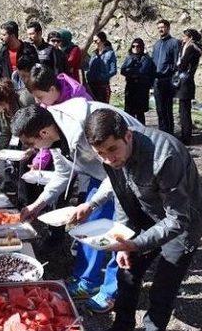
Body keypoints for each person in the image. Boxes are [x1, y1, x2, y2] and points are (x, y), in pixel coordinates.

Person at [76, 108, 202, 331]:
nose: (108, 158)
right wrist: (122, 238)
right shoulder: (111, 158)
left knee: (163, 288)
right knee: (127, 273)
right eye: (101, 154)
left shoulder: (165, 156)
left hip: (186, 219)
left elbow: (178, 219)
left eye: (112, 150)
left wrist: (137, 243)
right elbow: (121, 196)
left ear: (127, 136)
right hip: (150, 213)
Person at [11, 100, 142, 309]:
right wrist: (38, 204)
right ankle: (87, 281)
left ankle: (111, 291)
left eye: (31, 143)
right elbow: (64, 172)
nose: (33, 149)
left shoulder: (84, 129)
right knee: (89, 226)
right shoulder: (54, 133)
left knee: (119, 231)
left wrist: (92, 203)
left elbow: (117, 168)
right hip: (101, 171)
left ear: (43, 133)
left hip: (126, 164)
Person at [0, 78, 35, 171]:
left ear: (1, 101)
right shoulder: (4, 111)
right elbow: (6, 134)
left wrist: (33, 148)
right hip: (29, 141)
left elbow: (38, 125)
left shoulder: (24, 100)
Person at [173, 28, 202, 145]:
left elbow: (183, 64)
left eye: (185, 36)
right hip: (186, 80)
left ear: (190, 37)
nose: (183, 38)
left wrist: (178, 65)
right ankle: (185, 134)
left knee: (184, 110)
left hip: (185, 81)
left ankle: (186, 137)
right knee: (183, 109)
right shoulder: (188, 47)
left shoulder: (191, 48)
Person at [152, 19, 182, 134]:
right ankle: (162, 132)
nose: (160, 29)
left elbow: (177, 62)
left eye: (162, 27)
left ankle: (170, 133)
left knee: (167, 108)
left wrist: (172, 72)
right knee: (159, 109)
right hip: (156, 81)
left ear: (168, 28)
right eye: (159, 27)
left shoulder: (174, 43)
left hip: (168, 80)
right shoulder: (156, 44)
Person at [120, 38, 156, 124]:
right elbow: (123, 70)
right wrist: (132, 71)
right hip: (130, 88)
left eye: (138, 46)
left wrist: (131, 72)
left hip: (141, 90)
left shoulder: (146, 58)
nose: (135, 48)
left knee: (140, 114)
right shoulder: (129, 57)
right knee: (129, 112)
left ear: (142, 47)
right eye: (133, 46)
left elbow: (142, 72)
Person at [87, 32, 117, 103]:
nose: (94, 43)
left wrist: (103, 77)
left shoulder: (110, 53)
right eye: (93, 41)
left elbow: (113, 70)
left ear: (102, 40)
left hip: (102, 86)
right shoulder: (94, 54)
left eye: (96, 41)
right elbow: (89, 67)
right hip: (91, 85)